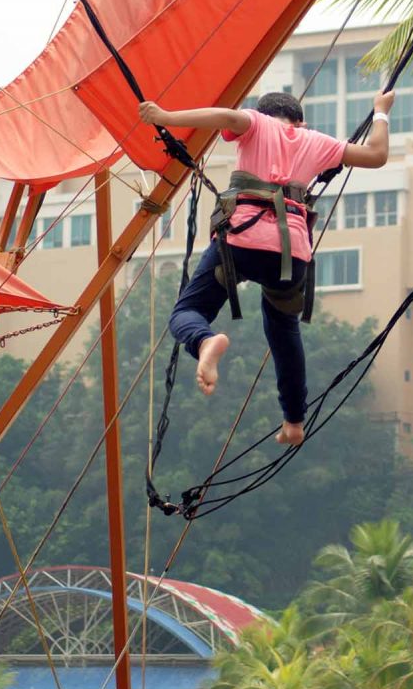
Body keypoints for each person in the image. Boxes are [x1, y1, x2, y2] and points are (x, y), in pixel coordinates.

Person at [138, 89, 395, 445]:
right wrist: (380, 112)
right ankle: (293, 422)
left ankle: (206, 340)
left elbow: (227, 118)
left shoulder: (255, 122)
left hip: (241, 242)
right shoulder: (317, 141)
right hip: (290, 256)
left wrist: (166, 118)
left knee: (188, 311)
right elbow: (377, 155)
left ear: (263, 114)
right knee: (284, 331)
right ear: (300, 122)